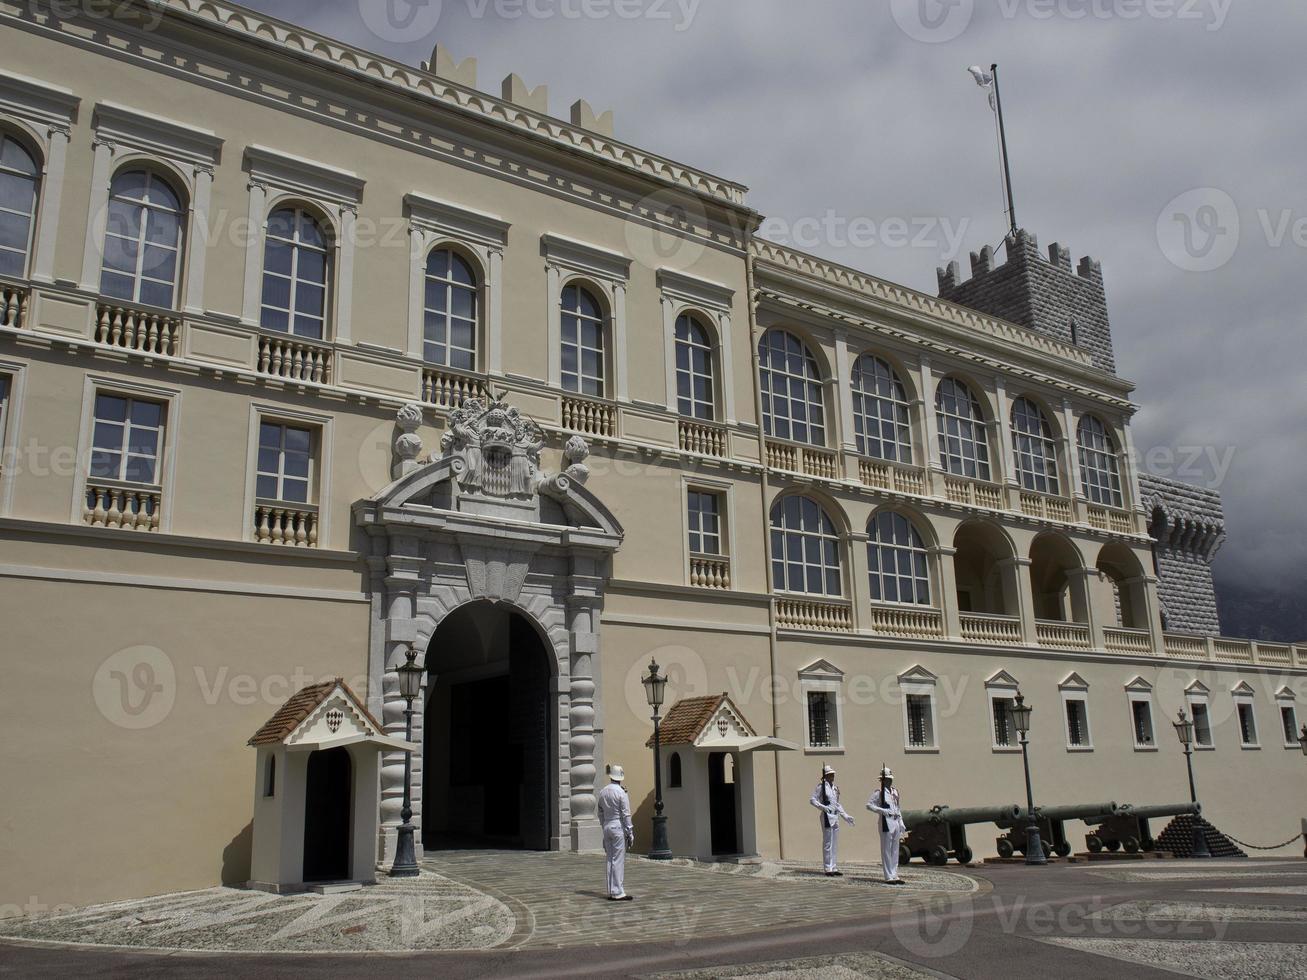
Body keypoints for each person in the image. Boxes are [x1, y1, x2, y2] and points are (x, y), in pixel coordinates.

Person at [597, 765, 635, 901]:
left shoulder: (602, 792)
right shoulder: (621, 792)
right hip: (618, 826)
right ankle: (618, 891)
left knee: (609, 859)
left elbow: (600, 812)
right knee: (618, 860)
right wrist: (630, 831)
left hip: (607, 825)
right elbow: (626, 814)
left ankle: (611, 890)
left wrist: (603, 825)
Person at [809, 764, 854, 876]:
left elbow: (837, 804)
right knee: (828, 842)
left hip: (835, 816)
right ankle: (828, 868)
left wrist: (845, 815)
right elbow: (813, 800)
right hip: (827, 816)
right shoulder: (821, 787)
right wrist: (823, 807)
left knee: (834, 843)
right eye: (830, 774)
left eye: (833, 774)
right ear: (825, 776)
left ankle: (833, 867)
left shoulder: (835, 788)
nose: (832, 776)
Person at [866, 764, 906, 884]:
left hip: (895, 821)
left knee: (895, 849)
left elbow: (898, 808)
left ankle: (895, 874)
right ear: (882, 780)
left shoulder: (895, 792)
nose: (889, 781)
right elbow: (869, 805)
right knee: (886, 849)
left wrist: (901, 822)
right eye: (887, 779)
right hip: (886, 822)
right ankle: (888, 876)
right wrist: (882, 810)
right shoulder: (879, 793)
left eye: (890, 779)